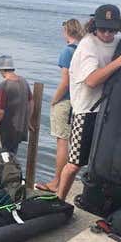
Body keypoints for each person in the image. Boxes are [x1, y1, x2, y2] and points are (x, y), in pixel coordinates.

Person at [55, 4, 121, 200]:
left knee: (100, 161)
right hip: (85, 111)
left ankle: (92, 198)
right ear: (94, 27)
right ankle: (59, 200)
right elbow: (91, 81)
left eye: (112, 29)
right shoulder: (88, 46)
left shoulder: (116, 42)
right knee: (74, 163)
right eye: (103, 29)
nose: (108, 34)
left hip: (106, 110)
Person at [38, 19, 84, 193]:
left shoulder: (67, 51)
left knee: (62, 142)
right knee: (71, 141)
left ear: (66, 31)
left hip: (65, 101)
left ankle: (56, 181)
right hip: (78, 101)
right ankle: (62, 180)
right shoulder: (81, 50)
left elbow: (65, 81)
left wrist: (54, 100)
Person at [0, 56, 33, 156]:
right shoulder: (24, 82)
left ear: (2, 69)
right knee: (11, 157)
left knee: (0, 158)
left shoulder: (4, 85)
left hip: (6, 131)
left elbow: (0, 111)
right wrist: (27, 120)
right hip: (19, 129)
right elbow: (31, 102)